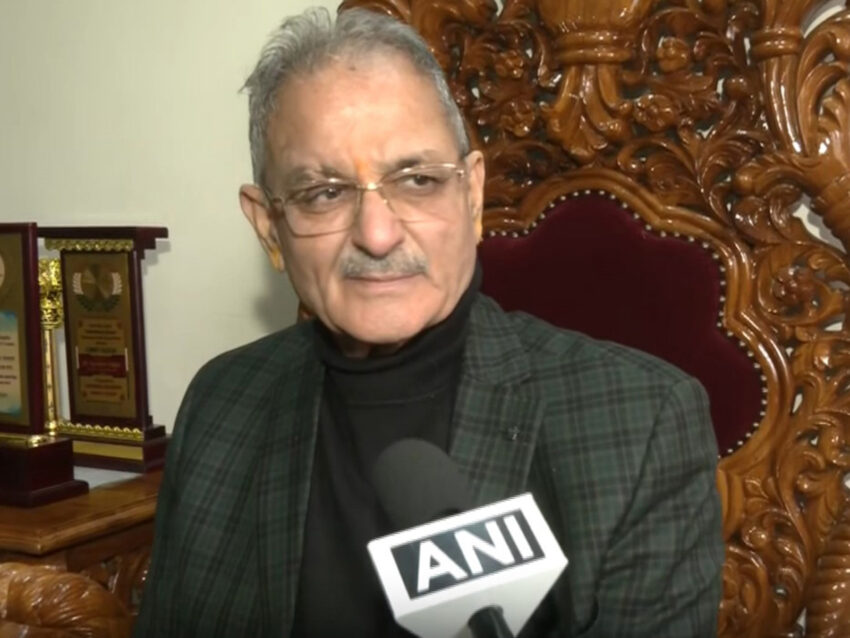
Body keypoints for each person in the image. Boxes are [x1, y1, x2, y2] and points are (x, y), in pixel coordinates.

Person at [133, 7, 724, 638]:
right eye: (325, 193)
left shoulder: (642, 423)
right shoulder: (222, 403)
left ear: (472, 196)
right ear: (269, 227)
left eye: (417, 180)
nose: (377, 235)